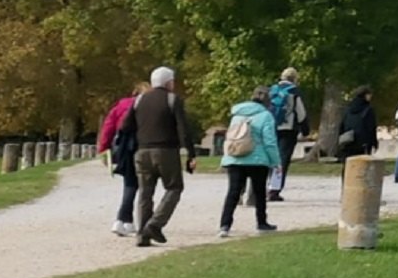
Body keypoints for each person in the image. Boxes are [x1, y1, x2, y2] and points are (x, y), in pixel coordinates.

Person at [118, 66, 200, 246]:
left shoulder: (139, 100)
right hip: (166, 151)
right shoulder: (172, 99)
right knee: (174, 188)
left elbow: (125, 126)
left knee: (145, 193)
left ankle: (142, 235)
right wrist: (191, 154)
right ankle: (154, 224)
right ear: (168, 82)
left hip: (142, 152)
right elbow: (183, 129)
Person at [219, 85, 282, 237]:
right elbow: (270, 141)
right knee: (259, 192)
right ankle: (261, 223)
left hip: (235, 157)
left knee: (233, 192)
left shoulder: (237, 115)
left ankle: (225, 225)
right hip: (257, 159)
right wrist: (276, 162)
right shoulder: (266, 116)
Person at [97, 82, 147, 236]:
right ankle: (119, 220)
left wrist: (103, 148)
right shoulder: (144, 106)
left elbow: (109, 126)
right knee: (133, 185)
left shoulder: (121, 105)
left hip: (123, 148)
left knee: (129, 183)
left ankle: (128, 222)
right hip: (138, 146)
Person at [265, 67, 309, 202]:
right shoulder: (294, 92)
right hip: (288, 129)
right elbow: (301, 114)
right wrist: (305, 129)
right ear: (295, 78)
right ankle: (274, 190)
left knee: (270, 158)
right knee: (282, 160)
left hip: (272, 128)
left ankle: (263, 187)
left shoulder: (272, 90)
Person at [335, 86, 378, 162]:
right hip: (363, 142)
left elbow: (342, 124)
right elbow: (371, 128)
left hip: (349, 140)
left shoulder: (348, 108)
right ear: (365, 95)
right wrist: (374, 142)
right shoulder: (368, 109)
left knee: (349, 164)